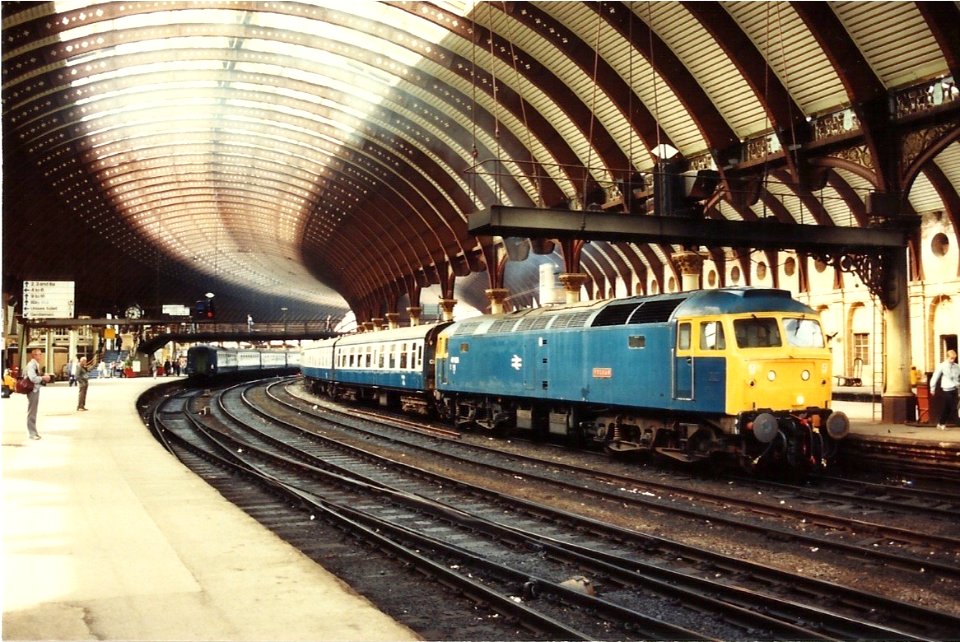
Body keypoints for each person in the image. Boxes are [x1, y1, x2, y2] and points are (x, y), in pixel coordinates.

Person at [24, 348, 51, 440]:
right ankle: (31, 433)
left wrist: (42, 375)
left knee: (33, 412)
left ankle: (34, 431)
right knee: (32, 412)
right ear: (34, 355)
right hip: (32, 390)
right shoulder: (31, 365)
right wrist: (43, 377)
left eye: (40, 354)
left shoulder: (35, 364)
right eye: (39, 354)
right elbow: (33, 378)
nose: (40, 356)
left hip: (35, 389)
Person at [929, 349, 960, 430]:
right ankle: (958, 422)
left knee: (947, 408)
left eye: (954, 358)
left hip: (954, 388)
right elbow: (935, 376)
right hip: (946, 389)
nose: (952, 360)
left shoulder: (957, 366)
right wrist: (932, 388)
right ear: (947, 357)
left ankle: (941, 424)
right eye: (951, 358)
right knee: (953, 407)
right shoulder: (942, 365)